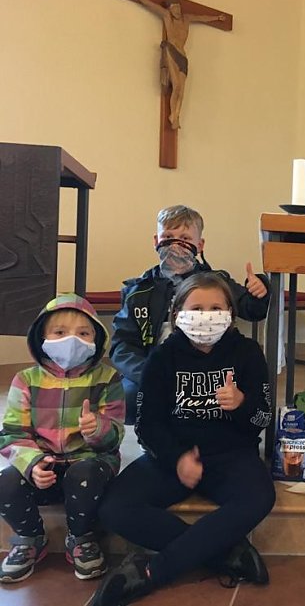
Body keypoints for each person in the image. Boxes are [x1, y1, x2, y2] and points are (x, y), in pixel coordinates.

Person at [91, 272, 275, 606]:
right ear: (177, 315)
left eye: (216, 307)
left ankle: (153, 572)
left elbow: (263, 418)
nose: (206, 315)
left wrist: (241, 405)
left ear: (231, 314)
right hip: (172, 457)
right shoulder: (162, 358)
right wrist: (177, 458)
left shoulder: (248, 353)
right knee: (114, 507)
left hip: (231, 455)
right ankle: (223, 552)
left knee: (260, 498)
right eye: (197, 307)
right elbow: (147, 424)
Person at [0, 294, 125, 583]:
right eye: (60, 332)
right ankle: (30, 539)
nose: (72, 340)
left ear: (97, 338)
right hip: (44, 468)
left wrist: (98, 429)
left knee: (85, 473)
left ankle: (81, 537)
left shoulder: (108, 378)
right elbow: (11, 434)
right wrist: (32, 463)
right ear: (41, 337)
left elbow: (116, 434)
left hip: (89, 465)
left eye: (83, 333)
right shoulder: (26, 379)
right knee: (5, 482)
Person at [110, 204, 269, 425]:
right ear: (156, 241)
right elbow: (122, 346)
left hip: (208, 367)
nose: (175, 244)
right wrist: (150, 373)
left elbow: (253, 310)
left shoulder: (216, 282)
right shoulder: (138, 292)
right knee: (128, 398)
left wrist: (260, 289)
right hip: (154, 366)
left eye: (185, 237)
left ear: (200, 245)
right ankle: (157, 434)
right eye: (168, 236)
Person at [119, 0, 227, 129]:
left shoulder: (187, 19)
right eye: (174, 8)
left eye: (178, 8)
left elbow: (202, 17)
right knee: (176, 85)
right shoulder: (166, 16)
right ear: (169, 10)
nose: (177, 11)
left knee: (181, 90)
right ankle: (173, 116)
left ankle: (176, 114)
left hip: (183, 56)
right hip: (171, 50)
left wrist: (217, 18)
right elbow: (149, 3)